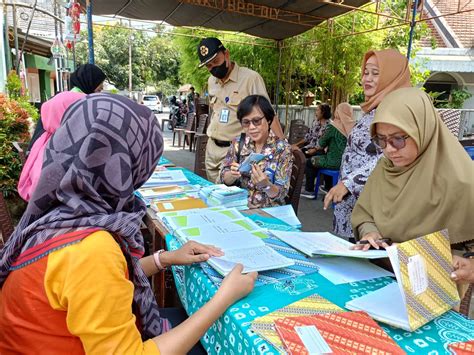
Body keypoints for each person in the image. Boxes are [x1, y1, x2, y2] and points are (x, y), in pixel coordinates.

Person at [0, 94, 257, 353]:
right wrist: (223, 298)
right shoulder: (91, 249)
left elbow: (98, 285)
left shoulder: (62, 212)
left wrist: (164, 259)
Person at [351, 88, 473, 250]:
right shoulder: (385, 169)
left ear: (424, 130)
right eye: (381, 139)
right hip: (379, 267)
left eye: (398, 139)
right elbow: (364, 214)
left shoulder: (462, 182)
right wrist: (370, 233)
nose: (389, 149)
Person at [323, 49, 411, 240]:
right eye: (366, 72)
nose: (366, 79)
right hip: (356, 203)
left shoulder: (397, 112)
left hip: (375, 209)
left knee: (370, 260)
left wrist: (348, 183)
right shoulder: (376, 108)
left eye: (376, 73)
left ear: (392, 77)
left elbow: (389, 156)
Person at [198, 37, 284, 183]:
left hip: (235, 151)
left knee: (230, 197)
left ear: (226, 54)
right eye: (209, 66)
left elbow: (268, 114)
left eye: (216, 62)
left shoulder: (250, 78)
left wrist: (282, 145)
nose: (213, 68)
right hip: (212, 148)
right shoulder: (211, 81)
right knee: (213, 197)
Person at [18, 63, 106, 201]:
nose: (99, 94)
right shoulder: (84, 103)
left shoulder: (55, 103)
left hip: (39, 191)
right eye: (98, 90)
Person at [219, 95, 293, 209]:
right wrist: (232, 175)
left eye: (257, 121)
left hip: (267, 212)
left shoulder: (282, 149)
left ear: (268, 120)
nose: (252, 127)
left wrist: (266, 185)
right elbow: (224, 178)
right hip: (238, 207)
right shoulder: (239, 143)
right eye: (246, 122)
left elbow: (281, 194)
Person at [301, 103, 352, 197]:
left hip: (333, 162)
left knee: (310, 162)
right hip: (346, 164)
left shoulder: (333, 127)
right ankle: (327, 187)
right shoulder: (353, 127)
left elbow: (321, 144)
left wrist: (316, 148)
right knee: (323, 157)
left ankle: (309, 190)